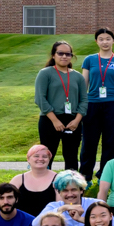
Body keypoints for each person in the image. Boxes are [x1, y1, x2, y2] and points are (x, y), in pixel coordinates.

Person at [78, 30, 114, 179]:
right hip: (92, 104)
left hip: (113, 104)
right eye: (101, 39)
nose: (105, 42)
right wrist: (81, 108)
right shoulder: (89, 60)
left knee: (109, 142)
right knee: (89, 142)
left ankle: (105, 175)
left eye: (108, 39)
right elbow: (84, 86)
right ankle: (85, 176)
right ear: (96, 42)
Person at [36, 40, 88, 174]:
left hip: (72, 121)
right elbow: (40, 98)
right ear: (53, 55)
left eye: (68, 54)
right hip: (50, 120)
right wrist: (54, 120)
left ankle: (71, 187)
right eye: (60, 53)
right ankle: (44, 186)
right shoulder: (45, 73)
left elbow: (84, 100)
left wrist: (77, 120)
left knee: (71, 156)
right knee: (47, 154)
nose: (64, 56)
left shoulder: (77, 76)